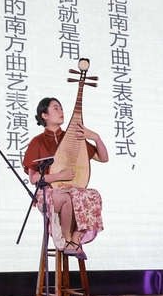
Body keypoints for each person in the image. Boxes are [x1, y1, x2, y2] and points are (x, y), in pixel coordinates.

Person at [23, 97, 109, 260]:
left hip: (72, 191)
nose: (61, 111)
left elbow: (103, 158)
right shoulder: (37, 142)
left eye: (61, 108)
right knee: (67, 198)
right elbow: (34, 178)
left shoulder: (72, 138)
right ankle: (67, 242)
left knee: (93, 195)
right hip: (48, 193)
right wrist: (58, 176)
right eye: (56, 108)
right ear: (44, 115)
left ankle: (75, 239)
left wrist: (95, 137)